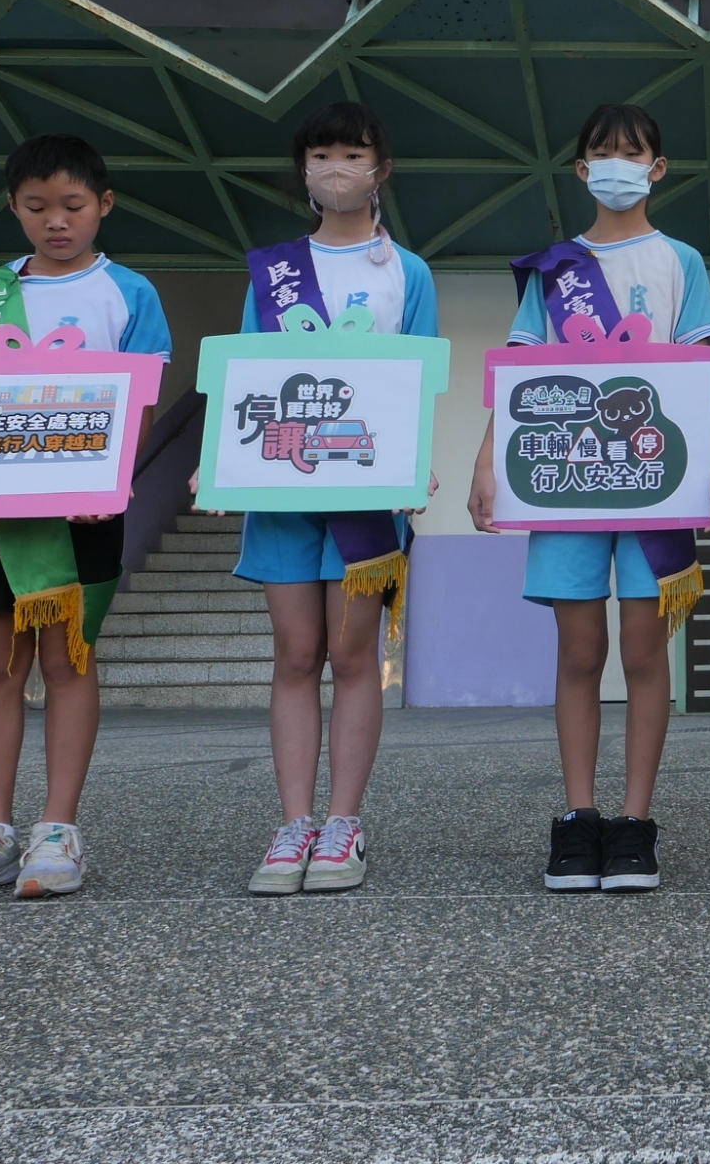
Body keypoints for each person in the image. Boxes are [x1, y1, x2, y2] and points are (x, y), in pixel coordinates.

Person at [468, 102, 710, 894]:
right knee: (580, 653)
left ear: (658, 169)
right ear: (581, 170)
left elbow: (703, 365)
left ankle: (635, 824)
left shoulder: (681, 259)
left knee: (646, 655)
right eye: (602, 153)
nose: (618, 164)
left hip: (660, 481)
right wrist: (489, 461)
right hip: (569, 485)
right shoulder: (555, 268)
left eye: (635, 152)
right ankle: (577, 820)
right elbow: (520, 372)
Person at [0, 133, 172, 901]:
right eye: (36, 207)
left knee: (69, 660)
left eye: (72, 206)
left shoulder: (129, 291)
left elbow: (145, 402)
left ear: (104, 205)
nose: (55, 222)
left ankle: (57, 829)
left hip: (88, 508)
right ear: (12, 208)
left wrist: (116, 479)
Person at [215, 101, 439, 896]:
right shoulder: (272, 268)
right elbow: (247, 372)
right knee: (295, 655)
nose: (335, 168)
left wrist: (416, 463)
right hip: (282, 486)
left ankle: (343, 821)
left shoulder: (407, 272)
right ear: (302, 170)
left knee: (353, 659)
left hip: (368, 494)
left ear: (381, 168)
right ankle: (291, 823)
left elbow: (419, 375)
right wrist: (217, 463)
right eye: (320, 155)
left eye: (352, 152)